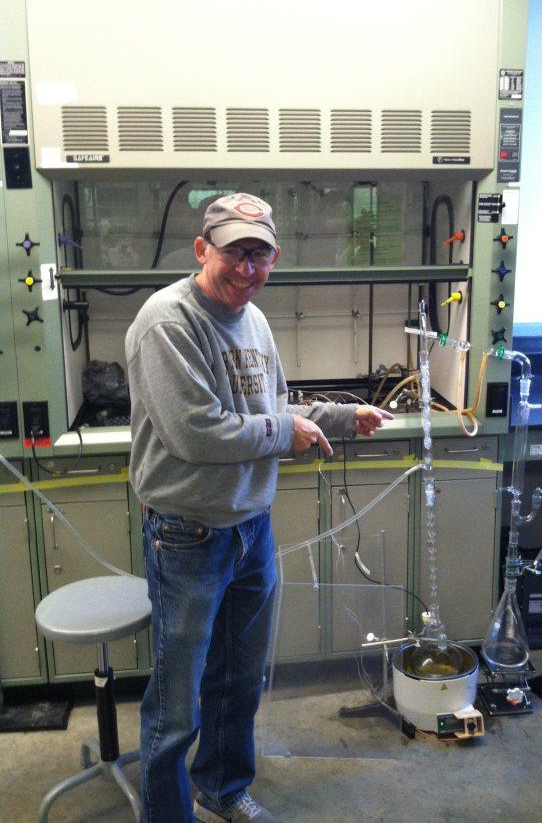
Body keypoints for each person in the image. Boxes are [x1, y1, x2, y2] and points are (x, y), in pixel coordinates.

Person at [125, 192, 392, 823]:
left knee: (240, 681)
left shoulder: (254, 319)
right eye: (235, 253)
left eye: (261, 255)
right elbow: (200, 433)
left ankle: (220, 787)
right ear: (202, 249)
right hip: (187, 535)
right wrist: (289, 434)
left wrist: (340, 418)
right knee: (177, 702)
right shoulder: (169, 322)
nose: (248, 269)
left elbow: (273, 409)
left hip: (251, 529)